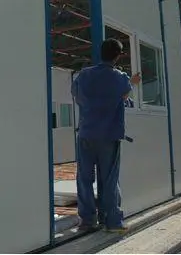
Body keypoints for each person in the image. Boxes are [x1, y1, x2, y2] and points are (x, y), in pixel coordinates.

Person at [71, 39, 141, 232]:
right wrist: (133, 83)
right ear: (118, 56)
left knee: (84, 178)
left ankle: (87, 221)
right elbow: (124, 95)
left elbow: (76, 96)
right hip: (108, 135)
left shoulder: (84, 75)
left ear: (101, 53)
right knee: (109, 179)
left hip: (86, 133)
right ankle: (112, 221)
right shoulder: (120, 77)